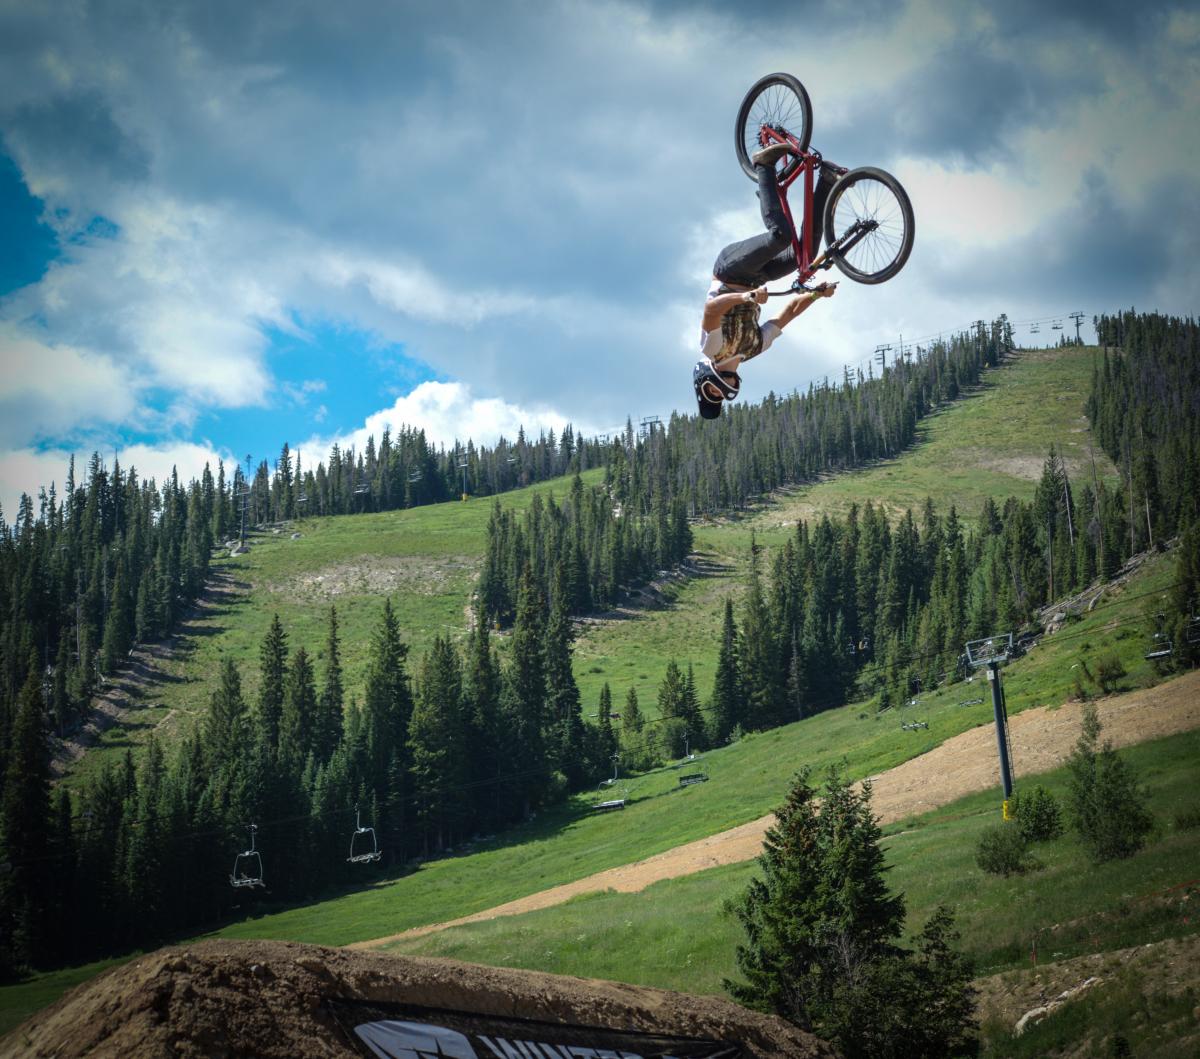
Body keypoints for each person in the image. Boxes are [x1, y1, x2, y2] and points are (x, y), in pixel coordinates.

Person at [694, 141, 838, 419]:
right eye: (721, 397)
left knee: (780, 237)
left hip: (730, 271)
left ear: (703, 381)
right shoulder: (752, 349)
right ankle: (827, 183)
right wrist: (816, 295)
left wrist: (745, 298)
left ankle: (764, 165)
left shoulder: (711, 350)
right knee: (804, 256)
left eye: (713, 392)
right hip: (757, 278)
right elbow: (787, 314)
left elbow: (711, 309)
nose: (721, 391)